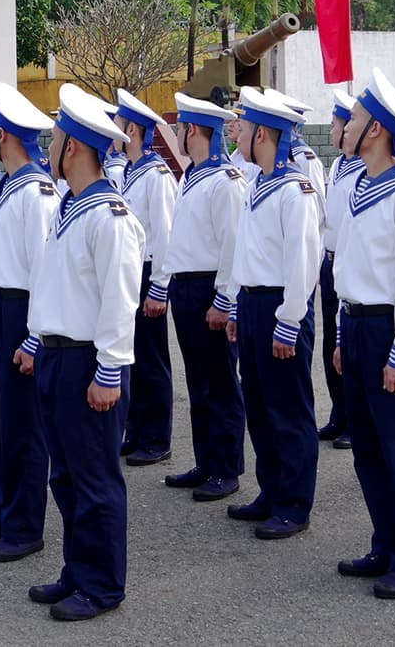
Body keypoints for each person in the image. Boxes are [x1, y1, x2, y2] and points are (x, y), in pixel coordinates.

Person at [20, 83, 143, 621]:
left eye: (56, 137)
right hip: (58, 356)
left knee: (95, 479)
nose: (49, 145)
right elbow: (54, 285)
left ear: (72, 147)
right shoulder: (70, 207)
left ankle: (102, 585)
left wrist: (109, 371)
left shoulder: (109, 216)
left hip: (90, 361)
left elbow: (121, 301)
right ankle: (77, 570)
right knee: (65, 477)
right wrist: (34, 339)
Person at [330, 68, 395, 599]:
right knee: (369, 448)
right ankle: (386, 542)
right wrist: (337, 333)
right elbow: (346, 269)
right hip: (356, 325)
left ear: (375, 130)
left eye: (353, 118)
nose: (346, 125)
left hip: (390, 331)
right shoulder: (357, 185)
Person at [222, 86, 321, 541]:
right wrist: (239, 305)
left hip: (282, 305)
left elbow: (302, 261)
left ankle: (294, 502)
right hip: (253, 302)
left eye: (244, 124)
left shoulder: (295, 190)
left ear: (263, 132)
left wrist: (289, 319)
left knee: (288, 408)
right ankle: (271, 490)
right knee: (259, 405)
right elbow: (249, 250)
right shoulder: (257, 183)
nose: (237, 130)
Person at [0, 82, 59, 562]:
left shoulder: (36, 192)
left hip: (23, 310)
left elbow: (42, 268)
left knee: (22, 426)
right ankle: (5, 513)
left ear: (4, 136)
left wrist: (33, 335)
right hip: (0, 308)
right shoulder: (10, 186)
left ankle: (25, 527)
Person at [147, 93, 247, 502]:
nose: (177, 135)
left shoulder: (224, 182)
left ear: (193, 131)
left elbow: (232, 243)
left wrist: (224, 298)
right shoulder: (193, 176)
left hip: (210, 286)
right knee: (199, 380)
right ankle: (206, 460)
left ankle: (226, 468)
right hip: (187, 286)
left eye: (180, 128)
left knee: (220, 381)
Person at [116, 88, 179, 467]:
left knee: (152, 359)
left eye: (120, 123)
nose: (114, 129)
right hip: (130, 273)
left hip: (147, 272)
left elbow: (165, 233)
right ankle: (136, 430)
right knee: (133, 357)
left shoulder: (156, 175)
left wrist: (159, 286)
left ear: (134, 130)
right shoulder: (129, 172)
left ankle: (157, 437)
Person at [318, 89, 364, 449]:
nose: (334, 132)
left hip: (351, 261)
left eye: (336, 125)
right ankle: (339, 410)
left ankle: (353, 418)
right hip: (330, 260)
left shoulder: (365, 166)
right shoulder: (337, 165)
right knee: (331, 341)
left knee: (348, 343)